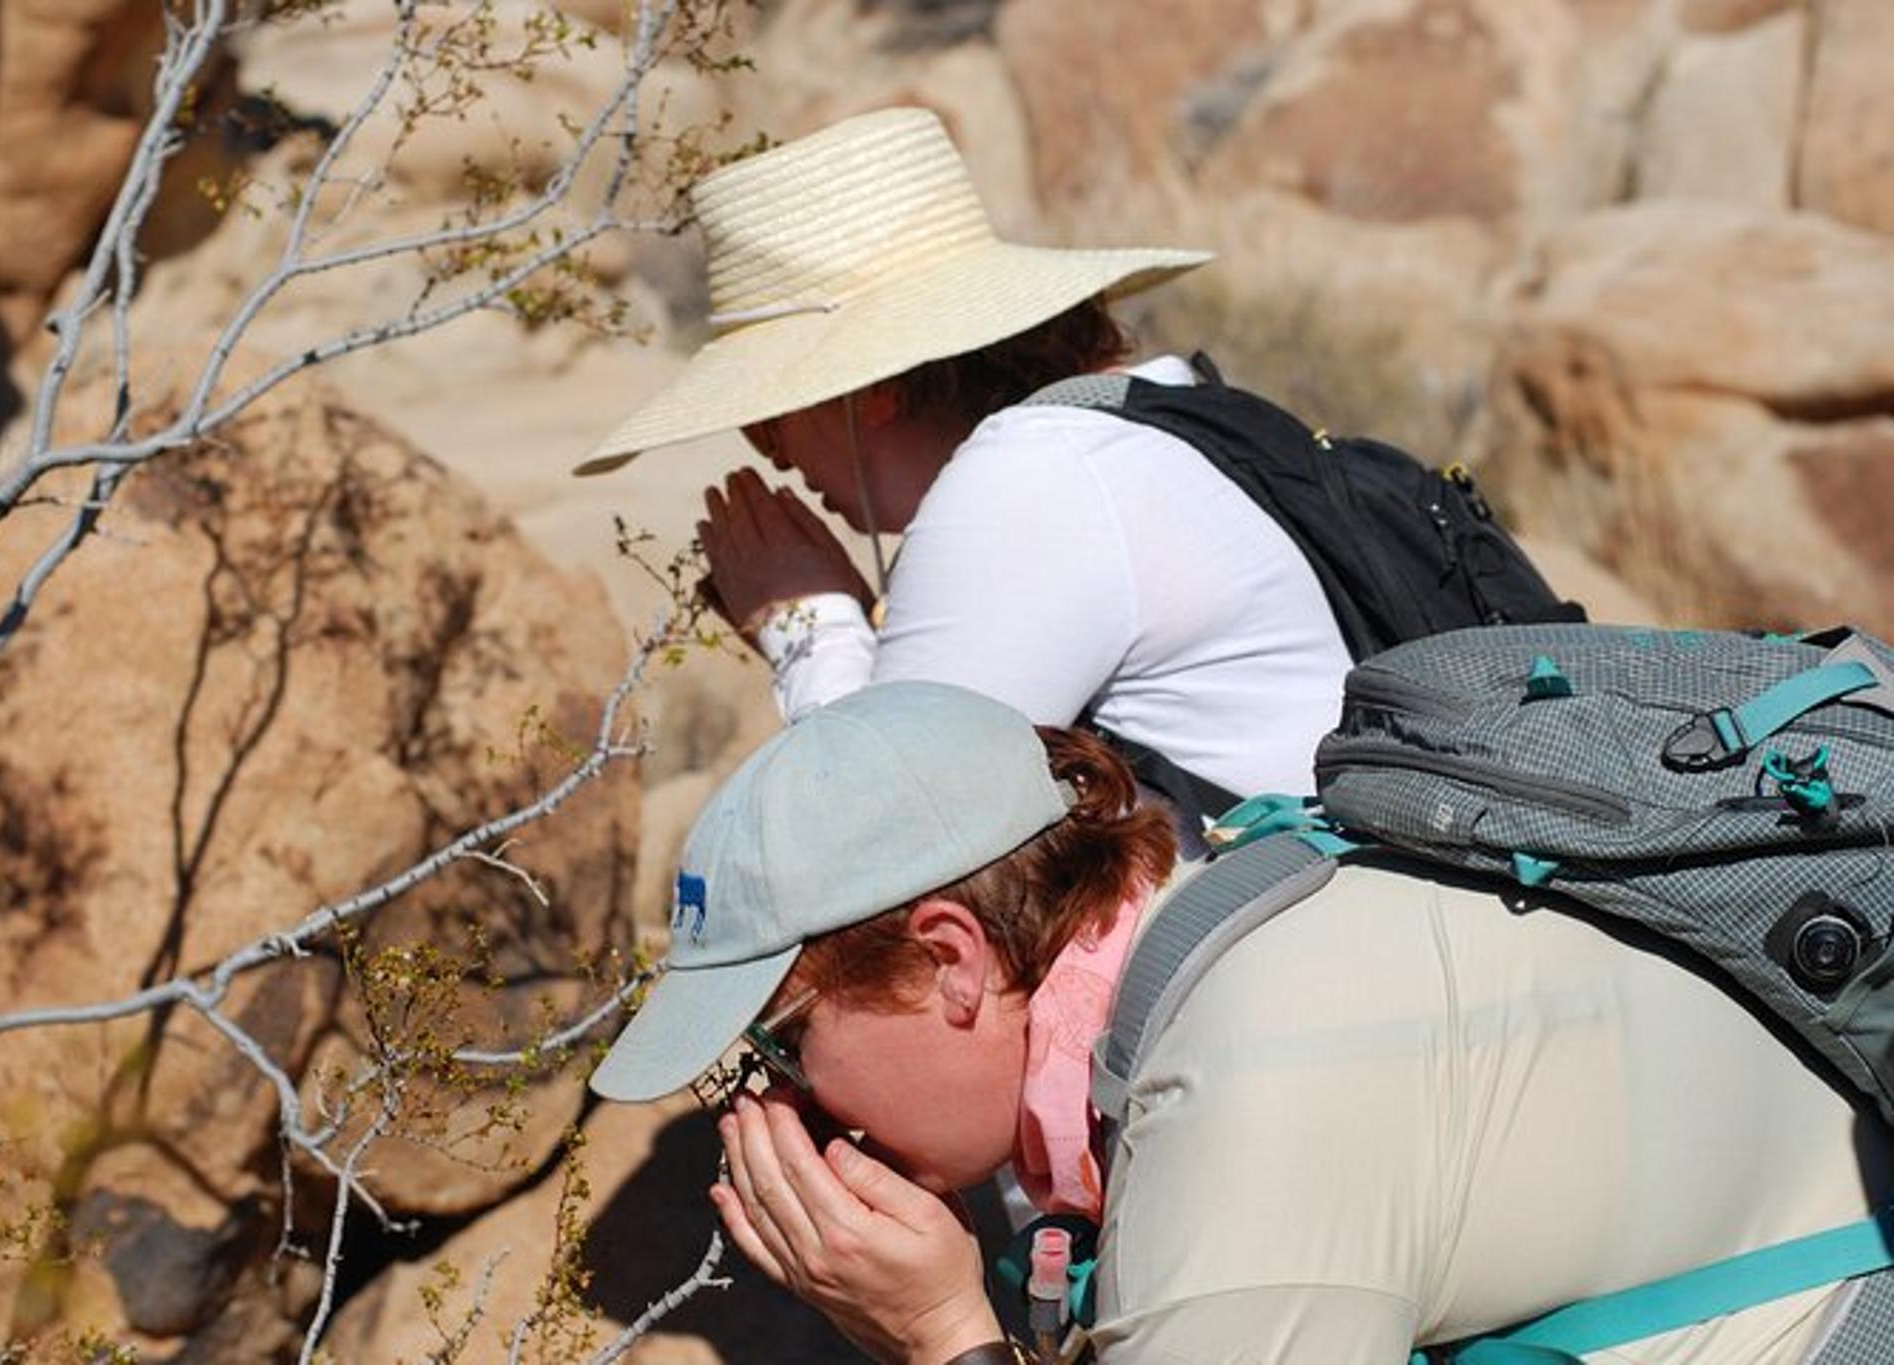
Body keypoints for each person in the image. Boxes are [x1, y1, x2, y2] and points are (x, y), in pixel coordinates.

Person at [588, 681, 1889, 1364]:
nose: (780, 1107)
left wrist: (946, 1341)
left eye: (781, 1042)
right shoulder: (1242, 912)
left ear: (951, 962)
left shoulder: (1233, 1111)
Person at [577, 107, 1352, 816]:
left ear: (869, 389)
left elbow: (885, 836)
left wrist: (809, 628)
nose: (768, 452)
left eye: (771, 412)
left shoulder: (1032, 477)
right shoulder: (1136, 418)